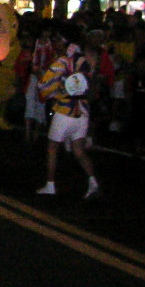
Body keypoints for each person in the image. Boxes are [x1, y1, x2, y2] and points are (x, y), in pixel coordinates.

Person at [35, 25, 100, 200]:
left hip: (64, 111)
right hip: (83, 112)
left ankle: (50, 184)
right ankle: (93, 181)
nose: (54, 43)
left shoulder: (62, 61)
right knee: (79, 150)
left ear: (63, 41)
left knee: (52, 148)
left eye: (56, 40)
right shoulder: (84, 60)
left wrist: (53, 92)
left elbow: (44, 86)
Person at [23, 20, 56, 143]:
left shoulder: (51, 44)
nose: (47, 33)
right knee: (30, 100)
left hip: (44, 75)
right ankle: (27, 130)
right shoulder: (33, 43)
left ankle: (36, 130)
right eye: (46, 30)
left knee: (40, 103)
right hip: (33, 75)